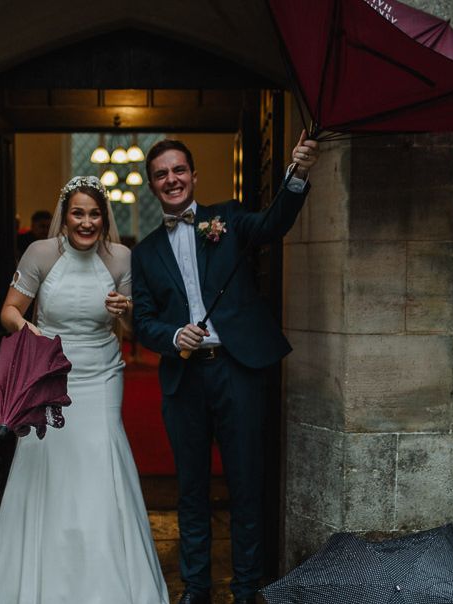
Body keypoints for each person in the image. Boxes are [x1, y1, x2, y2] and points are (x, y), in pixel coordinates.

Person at [131, 132, 320, 604]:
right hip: (184, 379)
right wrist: (174, 337)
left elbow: (275, 223)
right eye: (161, 174)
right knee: (191, 489)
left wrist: (296, 174)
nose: (171, 179)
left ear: (193, 175)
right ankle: (196, 588)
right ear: (152, 186)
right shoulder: (146, 251)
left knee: (245, 483)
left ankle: (246, 586)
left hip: (238, 370)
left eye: (179, 170)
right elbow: (143, 320)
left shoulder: (228, 218)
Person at [0, 176, 168, 604]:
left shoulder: (121, 258)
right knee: (50, 460)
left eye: (94, 214)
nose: (86, 222)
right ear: (64, 217)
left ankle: (108, 578)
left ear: (104, 218)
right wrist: (33, 334)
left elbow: (129, 326)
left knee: (98, 457)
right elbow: (9, 311)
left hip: (102, 374)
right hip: (50, 373)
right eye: (78, 213)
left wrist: (125, 311)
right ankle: (43, 575)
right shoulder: (41, 254)